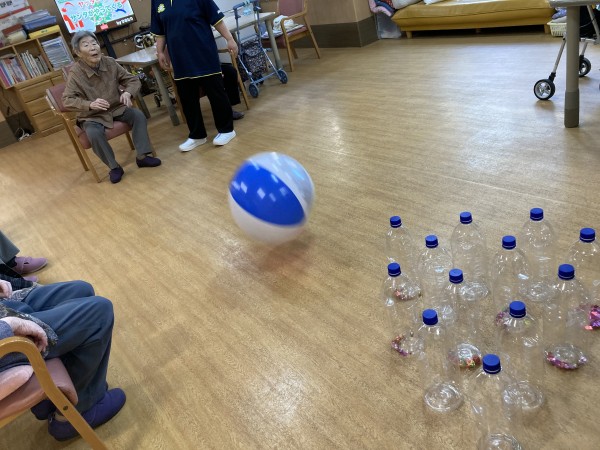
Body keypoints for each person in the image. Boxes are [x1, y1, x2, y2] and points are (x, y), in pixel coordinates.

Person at [0, 276, 125, 442]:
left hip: (5, 310)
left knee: (82, 289)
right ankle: (76, 413)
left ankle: (52, 399)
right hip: (5, 338)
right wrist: (10, 325)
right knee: (100, 313)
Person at [62, 31, 161, 184]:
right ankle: (114, 167)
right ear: (78, 52)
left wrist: (128, 93)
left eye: (94, 43)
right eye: (86, 45)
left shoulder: (109, 62)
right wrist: (89, 104)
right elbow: (67, 100)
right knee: (93, 133)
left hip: (116, 107)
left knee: (138, 115)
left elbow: (132, 80)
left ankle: (142, 156)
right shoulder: (75, 72)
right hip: (92, 115)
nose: (92, 47)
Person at [151, 0, 239, 152]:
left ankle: (227, 130)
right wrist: (160, 52)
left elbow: (216, 19)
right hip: (180, 59)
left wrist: (229, 39)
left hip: (203, 53)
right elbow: (160, 31)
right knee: (187, 99)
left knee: (216, 94)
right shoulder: (156, 1)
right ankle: (197, 135)